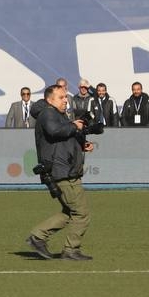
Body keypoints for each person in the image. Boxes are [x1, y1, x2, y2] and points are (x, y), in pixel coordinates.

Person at [26, 83, 97, 261]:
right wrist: (74, 126)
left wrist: (81, 144)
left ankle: (38, 236)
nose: (66, 100)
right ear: (49, 100)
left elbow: (60, 140)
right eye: (61, 97)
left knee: (69, 211)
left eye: (66, 97)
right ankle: (70, 249)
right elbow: (55, 131)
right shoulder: (49, 113)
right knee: (81, 213)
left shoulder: (55, 113)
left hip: (64, 169)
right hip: (62, 171)